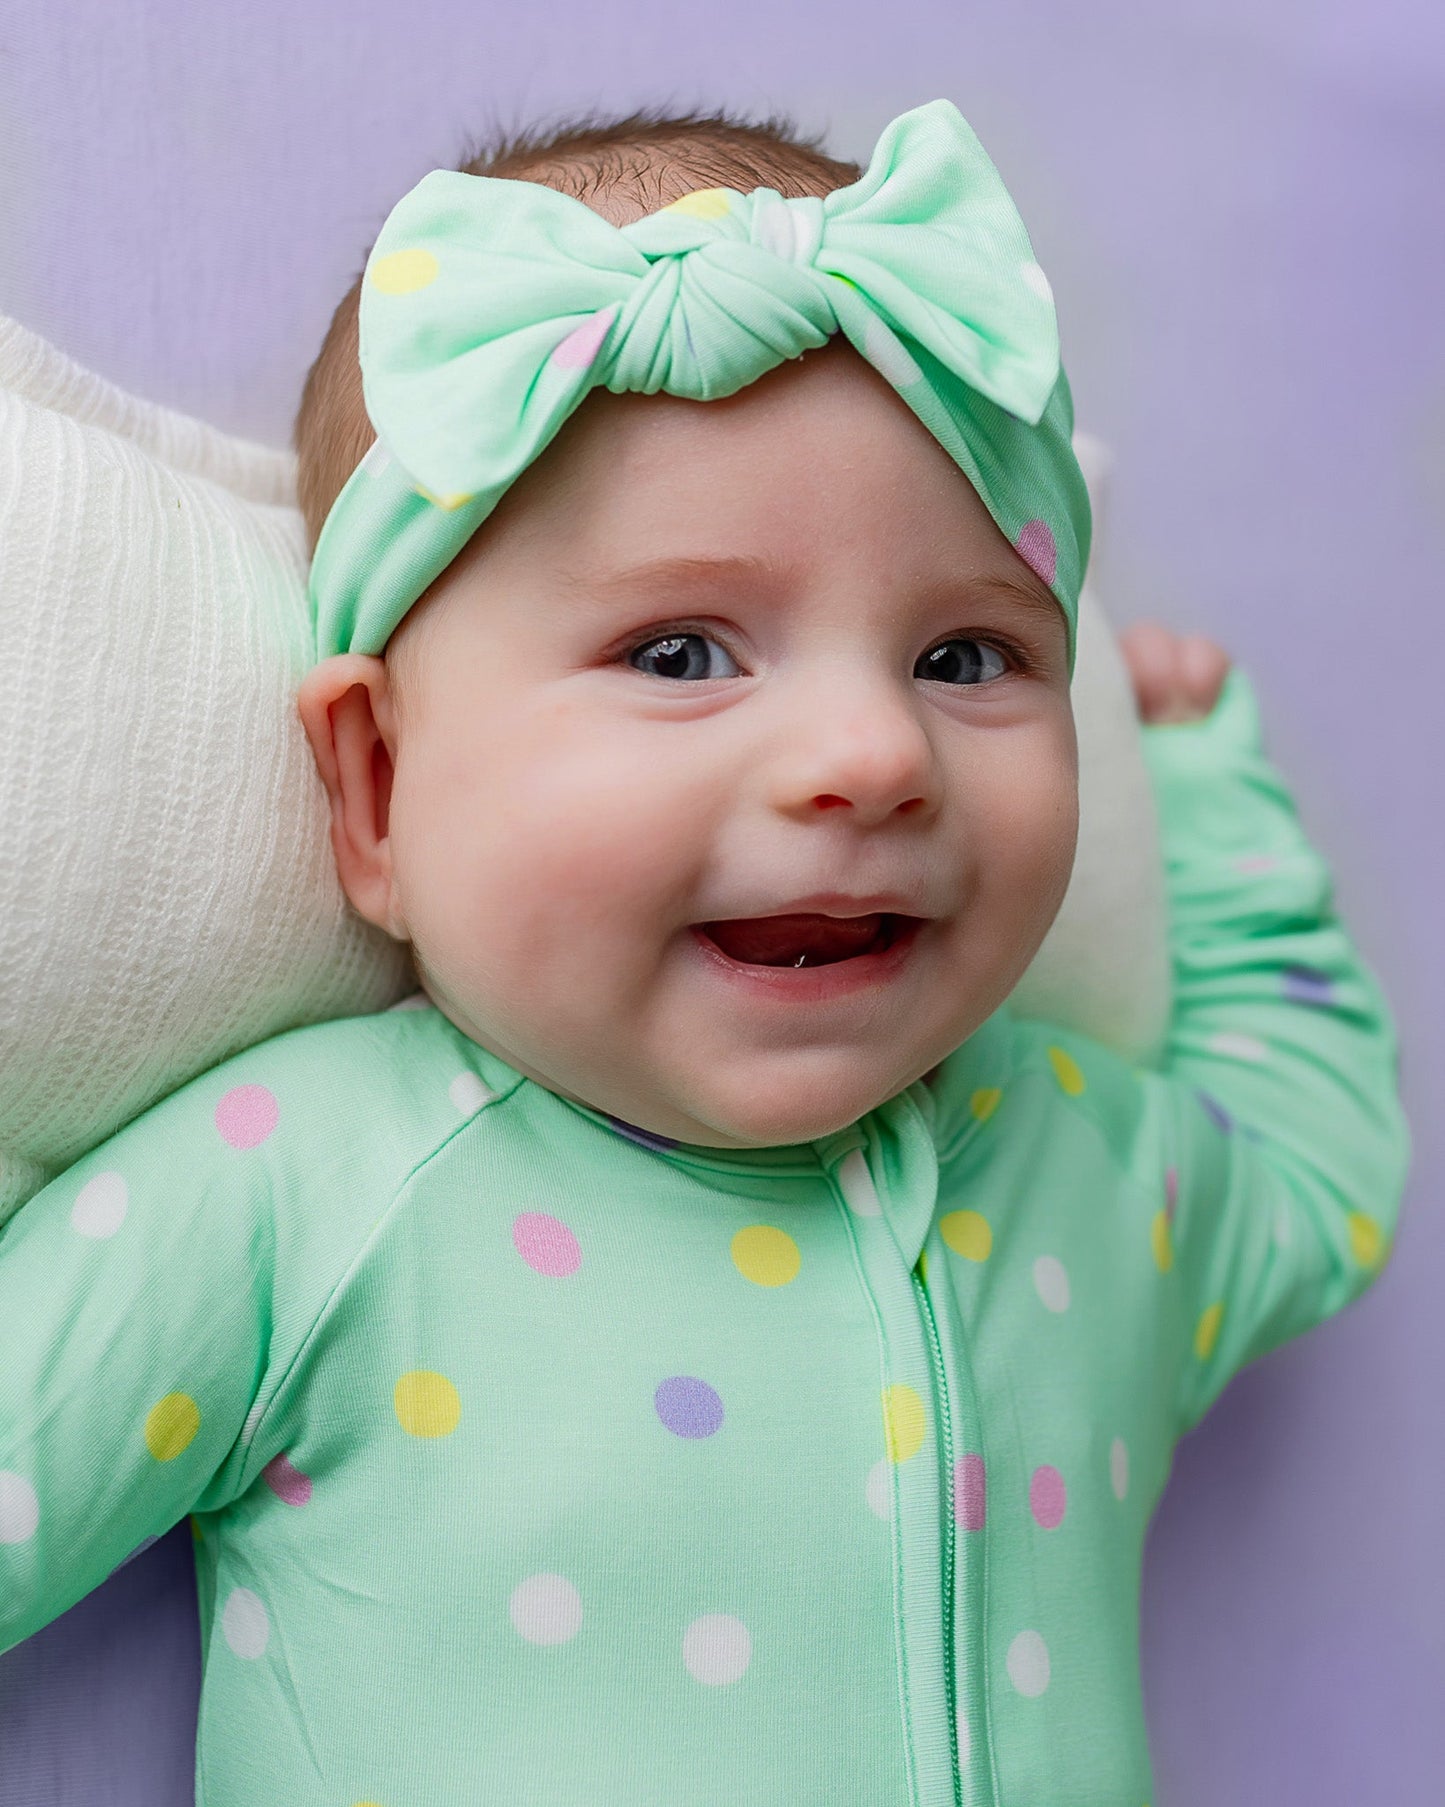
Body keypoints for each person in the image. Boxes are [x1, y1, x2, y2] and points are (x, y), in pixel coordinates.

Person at [0, 99, 1406, 1806]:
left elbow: (1315, 1156)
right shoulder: (305, 1193)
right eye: (679, 651)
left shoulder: (1092, 1173)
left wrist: (1209, 789)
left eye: (966, 656)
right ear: (377, 789)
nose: (873, 756)